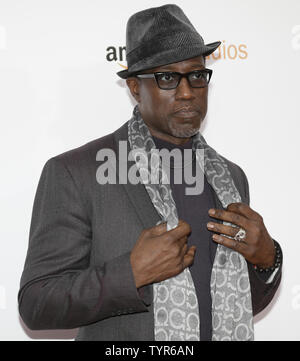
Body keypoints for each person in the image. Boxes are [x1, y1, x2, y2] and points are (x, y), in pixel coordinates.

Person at [18, 4, 282, 341]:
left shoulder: (231, 177)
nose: (187, 91)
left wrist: (267, 261)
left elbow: (237, 306)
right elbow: (36, 303)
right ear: (134, 88)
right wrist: (130, 273)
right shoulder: (75, 173)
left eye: (197, 75)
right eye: (168, 77)